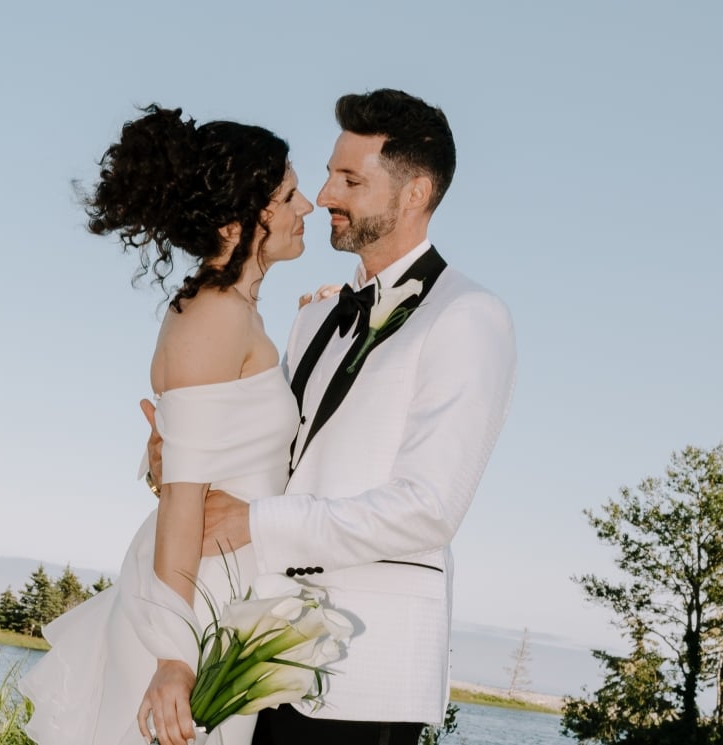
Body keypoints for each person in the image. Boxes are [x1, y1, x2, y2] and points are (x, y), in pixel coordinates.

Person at [144, 89, 517, 744]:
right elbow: (271, 453)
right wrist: (177, 458)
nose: (323, 194)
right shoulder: (312, 317)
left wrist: (256, 521)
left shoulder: (469, 316)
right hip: (259, 650)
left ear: (413, 194)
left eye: (349, 178)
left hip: (366, 668)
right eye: (325, 173)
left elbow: (428, 507)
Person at [18, 105, 312, 745]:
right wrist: (174, 656)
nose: (308, 206)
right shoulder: (213, 318)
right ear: (239, 223)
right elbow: (183, 497)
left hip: (224, 589)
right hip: (189, 600)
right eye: (289, 194)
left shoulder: (236, 314)